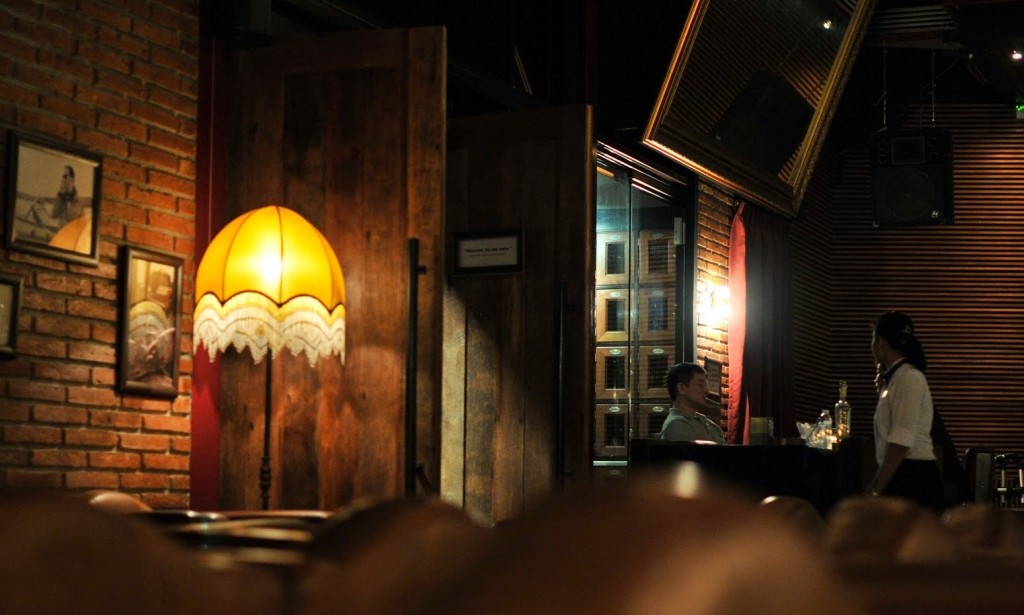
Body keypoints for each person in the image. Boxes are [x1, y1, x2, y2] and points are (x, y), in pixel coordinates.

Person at [866, 311, 944, 511]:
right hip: (906, 473)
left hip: (912, 477)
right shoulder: (898, 378)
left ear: (880, 341)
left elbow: (901, 441)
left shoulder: (908, 378)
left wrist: (876, 488)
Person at [659, 362, 726, 444]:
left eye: (706, 386)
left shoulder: (710, 424)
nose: (706, 391)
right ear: (682, 388)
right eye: (700, 385)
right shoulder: (676, 424)